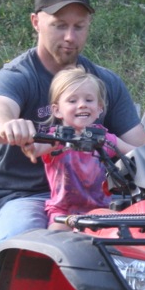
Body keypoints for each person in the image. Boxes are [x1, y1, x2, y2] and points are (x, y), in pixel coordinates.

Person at [0, 0, 145, 240]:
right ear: (36, 23)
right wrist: (9, 126)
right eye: (60, 26)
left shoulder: (102, 82)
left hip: (99, 197)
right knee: (26, 249)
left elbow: (138, 144)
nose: (70, 37)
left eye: (79, 26)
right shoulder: (18, 76)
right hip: (29, 196)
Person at [25, 68, 127, 230]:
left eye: (89, 100)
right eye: (72, 101)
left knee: (122, 237)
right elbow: (34, 149)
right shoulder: (55, 139)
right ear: (57, 110)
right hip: (64, 213)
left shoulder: (105, 139)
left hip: (102, 211)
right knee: (57, 240)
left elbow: (140, 152)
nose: (81, 105)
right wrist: (27, 141)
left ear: (100, 107)